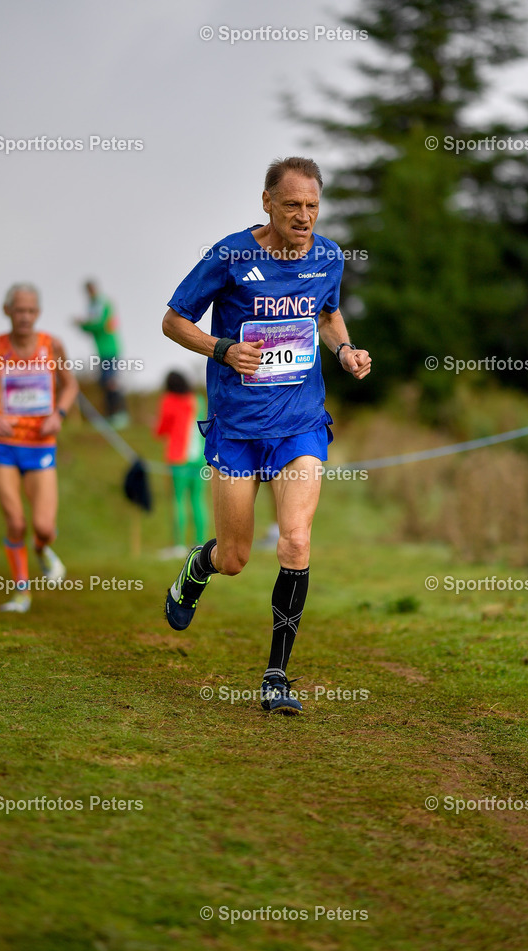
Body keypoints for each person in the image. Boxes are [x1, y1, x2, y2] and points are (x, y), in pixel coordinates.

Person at [162, 156, 371, 714]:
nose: (304, 217)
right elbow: (174, 320)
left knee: (296, 540)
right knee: (235, 557)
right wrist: (222, 348)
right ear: (267, 203)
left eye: (313, 206)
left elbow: (328, 317)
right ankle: (197, 568)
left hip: (299, 421)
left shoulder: (328, 256)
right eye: (293, 205)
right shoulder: (231, 254)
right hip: (237, 426)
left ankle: (276, 674)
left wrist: (346, 350)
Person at [0, 284, 79, 613]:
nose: (25, 317)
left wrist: (59, 414)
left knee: (44, 527)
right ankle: (21, 592)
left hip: (40, 444)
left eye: (31, 311)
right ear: (8, 311)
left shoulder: (52, 345)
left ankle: (43, 550)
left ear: (38, 313)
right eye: (19, 310)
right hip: (2, 445)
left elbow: (70, 384)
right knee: (16, 522)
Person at [154, 370, 208, 558]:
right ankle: (200, 543)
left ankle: (178, 545)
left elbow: (160, 429)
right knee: (197, 499)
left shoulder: (169, 400)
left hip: (178, 458)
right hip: (200, 459)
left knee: (178, 500)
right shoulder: (198, 400)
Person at [74, 279, 128, 428]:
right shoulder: (92, 306)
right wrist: (84, 325)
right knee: (105, 382)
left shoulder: (103, 303)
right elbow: (91, 327)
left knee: (111, 382)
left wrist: (82, 324)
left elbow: (98, 324)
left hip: (110, 348)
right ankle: (110, 415)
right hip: (101, 350)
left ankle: (120, 415)